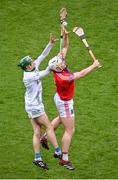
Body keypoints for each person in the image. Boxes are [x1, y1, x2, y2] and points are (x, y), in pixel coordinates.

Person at [40, 26, 101, 170]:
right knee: (70, 129)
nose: (63, 62)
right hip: (65, 101)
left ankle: (45, 137)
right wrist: (94, 65)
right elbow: (80, 74)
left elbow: (65, 47)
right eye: (61, 63)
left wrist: (65, 35)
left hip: (59, 98)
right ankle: (64, 159)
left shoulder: (56, 65)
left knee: (62, 118)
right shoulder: (64, 77)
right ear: (58, 68)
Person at [18, 33, 61, 170]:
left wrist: (50, 44)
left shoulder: (31, 67)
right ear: (27, 67)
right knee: (48, 127)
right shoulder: (29, 76)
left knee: (37, 131)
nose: (33, 62)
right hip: (35, 106)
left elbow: (42, 56)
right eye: (31, 63)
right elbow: (45, 72)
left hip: (29, 106)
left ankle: (37, 158)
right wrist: (55, 64)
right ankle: (58, 151)